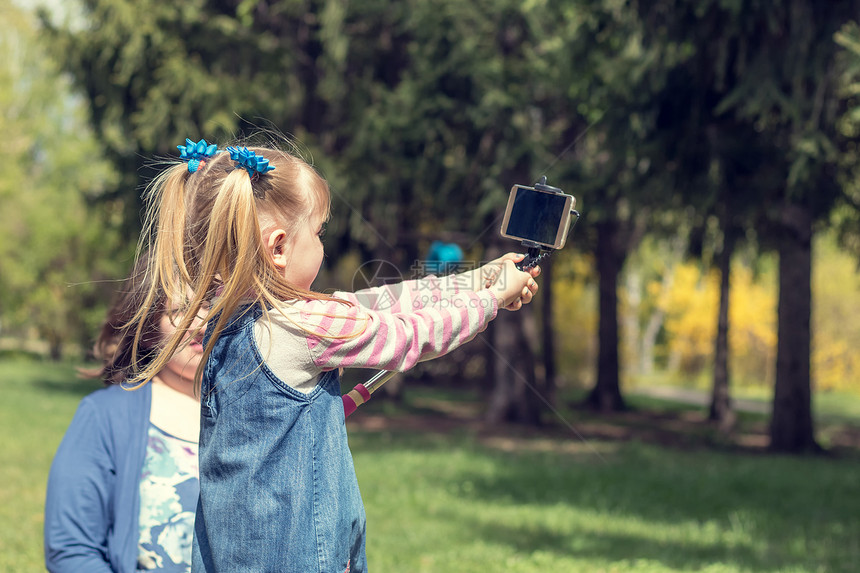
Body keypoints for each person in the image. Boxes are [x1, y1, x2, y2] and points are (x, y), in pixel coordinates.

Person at [127, 138, 541, 573]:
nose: (323, 245)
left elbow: (380, 302)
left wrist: (479, 280)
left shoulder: (223, 319)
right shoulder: (303, 325)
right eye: (319, 232)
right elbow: (408, 335)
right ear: (279, 247)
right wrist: (491, 299)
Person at [44, 252, 207, 572]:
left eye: (210, 302)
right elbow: (72, 551)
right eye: (179, 311)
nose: (200, 322)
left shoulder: (260, 411)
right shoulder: (104, 416)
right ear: (148, 332)